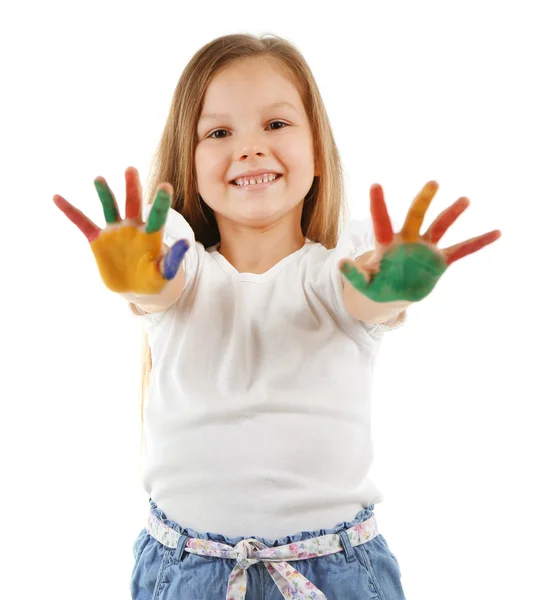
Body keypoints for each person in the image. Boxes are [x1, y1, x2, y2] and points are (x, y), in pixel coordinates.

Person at [53, 33, 501, 600]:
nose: (250, 149)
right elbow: (158, 286)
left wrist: (393, 289)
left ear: (318, 150)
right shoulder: (182, 264)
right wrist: (136, 279)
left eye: (276, 125)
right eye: (219, 133)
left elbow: (363, 295)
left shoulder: (335, 269)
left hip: (335, 573)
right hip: (188, 573)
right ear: (188, 164)